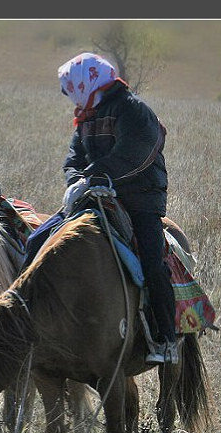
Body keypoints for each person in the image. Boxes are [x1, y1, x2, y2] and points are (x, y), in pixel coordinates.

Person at [23, 52, 178, 364]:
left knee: (151, 262)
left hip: (140, 199)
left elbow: (135, 153)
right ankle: (27, 322)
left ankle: (165, 339)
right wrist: (76, 180)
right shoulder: (87, 115)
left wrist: (94, 176)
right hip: (95, 196)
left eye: (71, 89)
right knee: (37, 241)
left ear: (85, 84)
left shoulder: (132, 110)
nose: (70, 98)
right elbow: (73, 159)